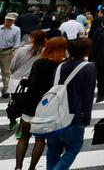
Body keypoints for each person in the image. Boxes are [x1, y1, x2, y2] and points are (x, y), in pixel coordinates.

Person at [15, 36, 66, 170]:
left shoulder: (39, 63)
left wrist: (23, 81)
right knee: (40, 140)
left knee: (24, 137)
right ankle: (32, 168)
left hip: (31, 103)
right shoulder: (63, 65)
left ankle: (18, 167)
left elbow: (32, 84)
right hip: (48, 106)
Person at [46, 38, 97, 170]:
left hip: (54, 116)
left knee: (53, 152)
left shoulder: (59, 66)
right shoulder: (88, 68)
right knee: (72, 150)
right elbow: (88, 95)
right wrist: (87, 117)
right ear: (87, 51)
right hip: (74, 116)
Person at [8, 30, 46, 130]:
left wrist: (16, 73)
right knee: (26, 105)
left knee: (14, 101)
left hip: (17, 81)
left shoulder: (20, 50)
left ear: (33, 38)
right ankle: (21, 127)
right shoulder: (44, 51)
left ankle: (12, 122)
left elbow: (12, 67)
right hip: (33, 82)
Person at [0, 12, 21, 98]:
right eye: (7, 19)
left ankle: (5, 90)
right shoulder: (0, 27)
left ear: (13, 21)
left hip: (6, 52)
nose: (8, 21)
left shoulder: (16, 30)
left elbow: (17, 42)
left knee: (6, 72)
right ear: (4, 19)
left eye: (10, 20)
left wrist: (14, 51)